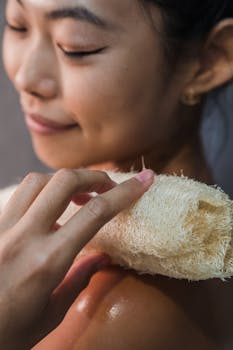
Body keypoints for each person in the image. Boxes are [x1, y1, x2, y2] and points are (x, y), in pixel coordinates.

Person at [1, 0, 233, 349]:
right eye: (18, 24)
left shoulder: (114, 312)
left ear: (209, 60)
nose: (26, 77)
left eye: (76, 47)